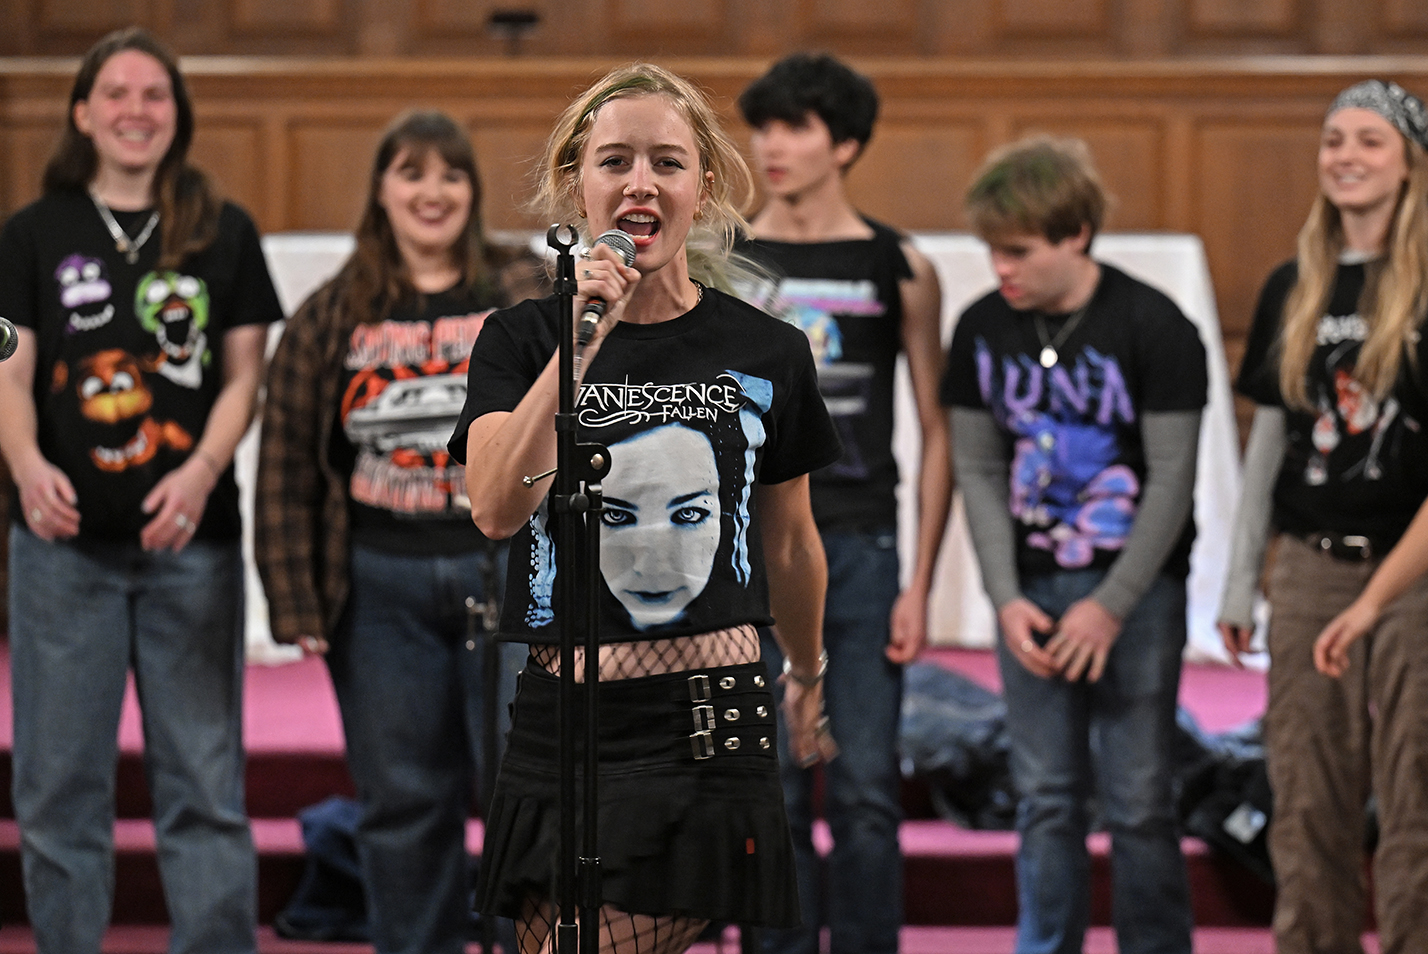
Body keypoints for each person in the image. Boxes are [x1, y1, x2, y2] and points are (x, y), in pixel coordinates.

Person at [447, 63, 841, 954]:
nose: (640, 182)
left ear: (703, 187)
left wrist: (809, 674)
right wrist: (579, 344)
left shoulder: (766, 348)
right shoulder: (521, 339)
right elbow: (495, 509)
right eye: (614, 160)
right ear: (572, 184)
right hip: (560, 722)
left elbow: (789, 545)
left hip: (702, 721)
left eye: (667, 162)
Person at [0, 27, 281, 954]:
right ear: (82, 113)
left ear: (178, 114)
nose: (134, 111)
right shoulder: (33, 233)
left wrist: (200, 471)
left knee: (203, 785)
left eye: (153, 94)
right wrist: (27, 463)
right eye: (115, 94)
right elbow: (8, 371)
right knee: (58, 788)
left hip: (188, 550)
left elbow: (245, 374)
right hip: (60, 554)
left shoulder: (223, 229)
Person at [254, 109, 519, 954]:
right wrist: (293, 599)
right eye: (411, 174)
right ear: (381, 191)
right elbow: (289, 463)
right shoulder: (333, 314)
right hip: (378, 589)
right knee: (405, 801)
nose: (431, 192)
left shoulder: (517, 293)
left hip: (512, 579)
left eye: (450, 175)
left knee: (528, 792)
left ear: (473, 193)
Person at [940, 136, 1205, 954]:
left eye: (1017, 251)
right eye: (990, 250)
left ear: (1077, 234)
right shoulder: (982, 327)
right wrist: (1005, 598)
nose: (1000, 269)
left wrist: (1111, 607)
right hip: (1032, 589)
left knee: (1138, 800)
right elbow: (978, 471)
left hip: (1137, 595)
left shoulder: (1155, 326)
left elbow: (1172, 480)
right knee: (1045, 796)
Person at [733, 51, 950, 954]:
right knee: (769, 789)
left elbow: (937, 428)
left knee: (861, 791)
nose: (772, 146)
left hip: (860, 548)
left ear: (847, 144)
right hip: (744, 552)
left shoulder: (897, 264)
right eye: (765, 126)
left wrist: (920, 582)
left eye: (798, 127)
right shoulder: (721, 256)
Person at [1218, 79, 1428, 954]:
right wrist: (1240, 580)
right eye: (1333, 139)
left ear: (1412, 161)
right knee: (1307, 803)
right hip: (1309, 565)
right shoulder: (1292, 283)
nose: (1344, 155)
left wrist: (1376, 599)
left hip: (1413, 572)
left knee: (1416, 797)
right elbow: (1271, 439)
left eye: (1369, 140)